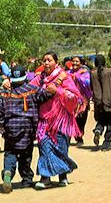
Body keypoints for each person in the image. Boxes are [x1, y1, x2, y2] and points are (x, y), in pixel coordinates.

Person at [0, 66, 54, 193]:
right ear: (24, 77)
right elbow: (46, 95)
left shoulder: (5, 93)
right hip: (28, 128)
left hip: (10, 127)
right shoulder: (32, 90)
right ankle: (27, 179)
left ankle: (8, 172)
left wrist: (1, 126)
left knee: (10, 152)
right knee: (26, 154)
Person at [32, 52, 83, 189]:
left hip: (61, 120)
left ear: (56, 62)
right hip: (44, 120)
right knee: (44, 148)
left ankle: (63, 176)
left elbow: (75, 97)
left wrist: (58, 91)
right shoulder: (40, 78)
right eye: (44, 61)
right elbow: (29, 88)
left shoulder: (64, 77)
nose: (46, 63)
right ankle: (45, 178)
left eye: (49, 60)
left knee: (61, 148)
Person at [90, 55, 111, 151]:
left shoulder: (92, 74)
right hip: (108, 101)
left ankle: (98, 130)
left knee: (101, 120)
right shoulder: (109, 71)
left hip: (98, 102)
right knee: (110, 122)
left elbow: (91, 87)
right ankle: (106, 143)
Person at [68, 56, 92, 145]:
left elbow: (88, 83)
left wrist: (77, 76)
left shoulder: (85, 73)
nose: (74, 63)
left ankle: (79, 136)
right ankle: (69, 138)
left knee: (81, 120)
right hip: (70, 100)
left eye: (76, 61)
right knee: (70, 119)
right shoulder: (67, 73)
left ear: (81, 64)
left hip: (82, 101)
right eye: (73, 61)